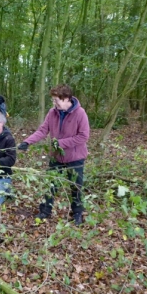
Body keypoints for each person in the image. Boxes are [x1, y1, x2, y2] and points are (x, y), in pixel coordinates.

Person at [17, 84, 90, 225]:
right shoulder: (52, 113)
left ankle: (77, 213)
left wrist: (61, 143)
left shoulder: (80, 113)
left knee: (76, 186)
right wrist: (27, 142)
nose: (54, 103)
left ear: (67, 99)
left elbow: (84, 136)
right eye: (53, 100)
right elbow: (42, 130)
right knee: (50, 184)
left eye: (57, 100)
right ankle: (45, 211)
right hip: (56, 156)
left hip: (75, 158)